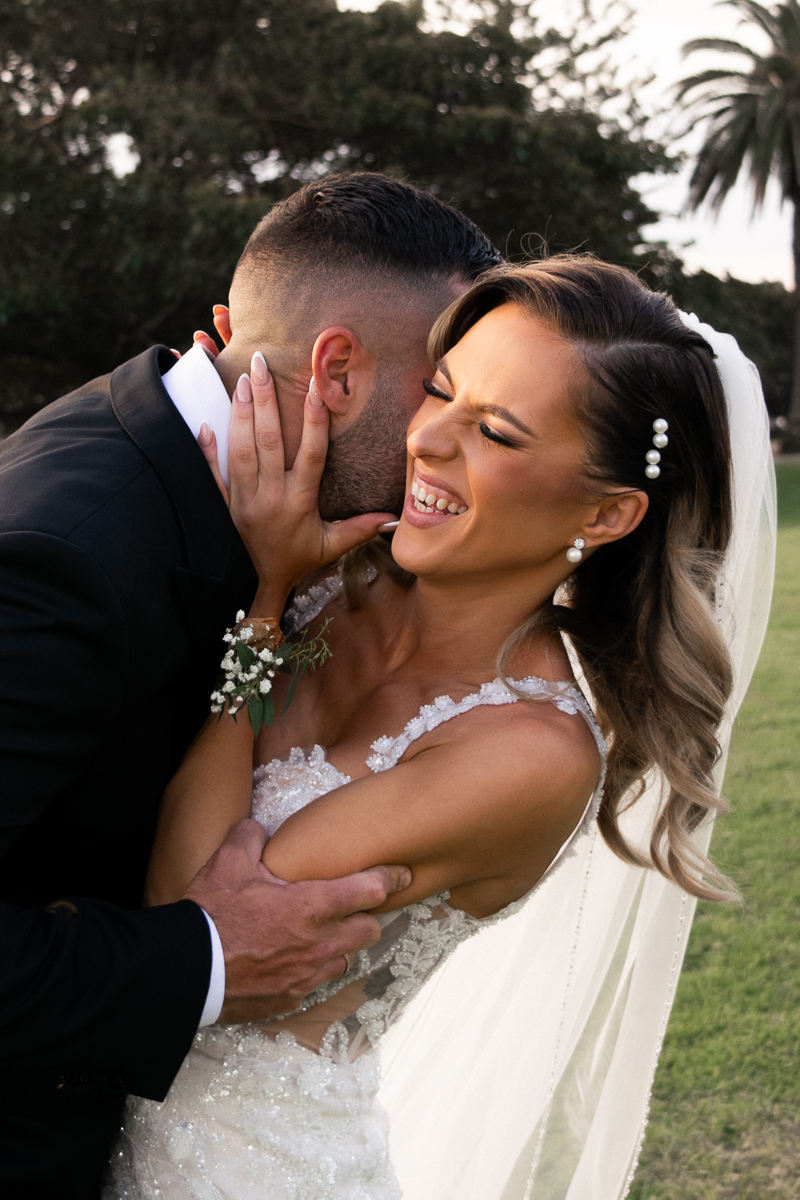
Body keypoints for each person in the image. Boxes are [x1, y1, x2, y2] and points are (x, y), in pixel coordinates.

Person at [105, 255, 771, 1200]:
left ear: (608, 512)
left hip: (247, 1171)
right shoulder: (341, 568)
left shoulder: (527, 755)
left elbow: (194, 913)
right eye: (442, 390)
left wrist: (262, 601)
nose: (426, 438)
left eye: (496, 431)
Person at [0, 173, 502, 1200]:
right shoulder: (70, 558)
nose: (448, 436)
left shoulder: (235, 504)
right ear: (337, 371)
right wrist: (205, 957)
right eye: (442, 388)